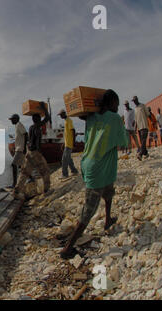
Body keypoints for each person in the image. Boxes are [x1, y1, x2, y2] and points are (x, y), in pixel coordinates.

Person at [60, 89, 128, 259]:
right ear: (111, 103)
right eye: (116, 105)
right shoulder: (114, 118)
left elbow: (84, 116)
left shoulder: (91, 117)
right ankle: (67, 248)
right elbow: (123, 141)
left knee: (109, 191)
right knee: (88, 210)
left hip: (89, 163)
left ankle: (108, 220)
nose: (117, 108)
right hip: (98, 168)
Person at [13, 102, 51, 200]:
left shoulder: (31, 127)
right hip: (35, 153)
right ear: (37, 119)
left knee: (24, 173)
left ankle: (16, 191)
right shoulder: (37, 126)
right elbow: (47, 118)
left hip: (29, 152)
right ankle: (46, 190)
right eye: (39, 118)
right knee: (45, 171)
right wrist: (44, 108)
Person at [58, 109, 78, 179]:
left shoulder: (69, 120)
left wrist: (73, 142)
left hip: (69, 144)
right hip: (67, 143)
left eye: (61, 115)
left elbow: (73, 130)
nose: (60, 116)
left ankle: (65, 174)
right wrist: (64, 143)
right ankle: (74, 170)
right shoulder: (66, 121)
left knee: (64, 159)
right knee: (68, 158)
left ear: (64, 113)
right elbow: (67, 134)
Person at [8, 114, 27, 188]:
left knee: (13, 165)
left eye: (12, 119)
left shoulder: (19, 125)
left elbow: (26, 134)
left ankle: (14, 184)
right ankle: (31, 179)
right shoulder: (17, 126)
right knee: (22, 166)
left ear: (16, 119)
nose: (11, 121)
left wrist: (24, 147)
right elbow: (20, 137)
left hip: (20, 149)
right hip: (18, 149)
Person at [133, 96, 151, 161]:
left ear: (137, 100)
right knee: (142, 141)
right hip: (139, 128)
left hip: (144, 126)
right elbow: (135, 120)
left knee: (143, 140)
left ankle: (140, 154)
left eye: (135, 100)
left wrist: (152, 121)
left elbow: (148, 114)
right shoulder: (135, 109)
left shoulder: (143, 106)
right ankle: (146, 153)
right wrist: (135, 128)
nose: (134, 102)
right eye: (133, 101)